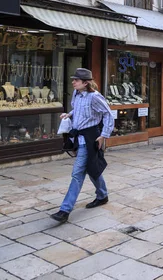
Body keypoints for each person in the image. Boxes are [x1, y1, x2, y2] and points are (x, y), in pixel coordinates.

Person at [51, 68, 115, 224]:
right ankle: (102, 195)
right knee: (91, 168)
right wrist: (69, 114)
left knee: (77, 172)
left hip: (91, 137)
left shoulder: (95, 97)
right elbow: (77, 109)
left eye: (76, 80)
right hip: (79, 136)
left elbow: (108, 114)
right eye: (73, 79)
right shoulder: (76, 94)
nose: (73, 82)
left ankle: (65, 210)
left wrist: (104, 135)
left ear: (86, 83)